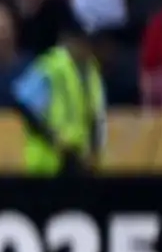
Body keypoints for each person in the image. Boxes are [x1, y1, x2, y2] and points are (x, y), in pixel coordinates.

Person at [13, 18, 107, 175]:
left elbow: (95, 115)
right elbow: (24, 105)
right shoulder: (51, 65)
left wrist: (94, 151)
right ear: (69, 41)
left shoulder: (92, 71)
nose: (86, 48)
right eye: (81, 41)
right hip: (49, 161)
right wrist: (52, 138)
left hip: (78, 160)